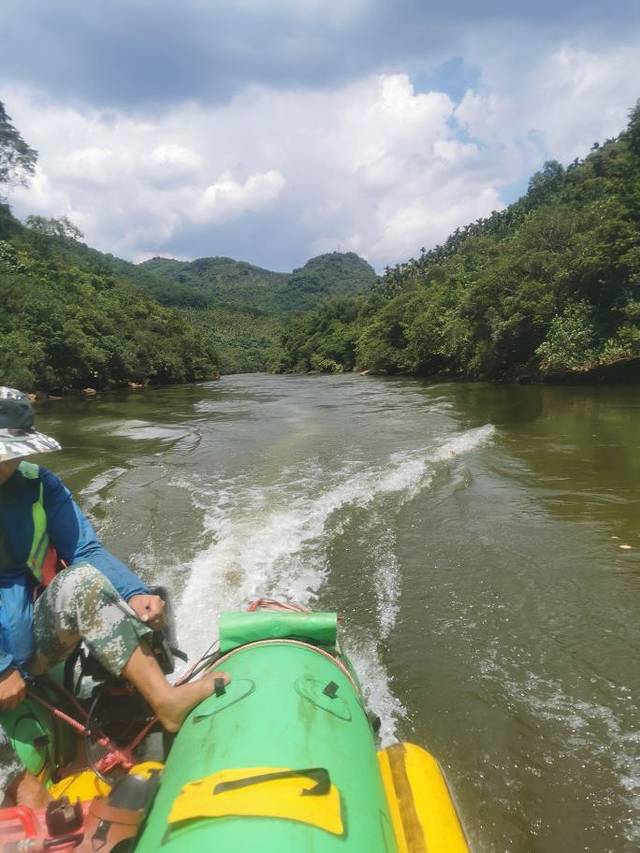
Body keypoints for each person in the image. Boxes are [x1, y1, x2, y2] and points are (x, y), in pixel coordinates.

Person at [0, 387, 225, 809]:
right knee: (20, 784)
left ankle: (163, 699)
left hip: (31, 631)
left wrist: (134, 592)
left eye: (10, 454)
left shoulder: (40, 485)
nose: (6, 463)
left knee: (85, 580)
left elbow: (84, 550)